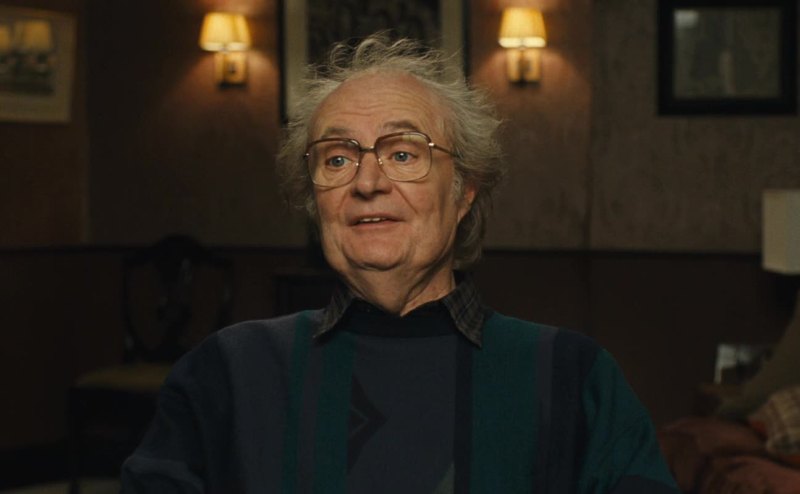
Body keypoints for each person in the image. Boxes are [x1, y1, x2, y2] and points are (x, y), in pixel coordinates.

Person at [121, 34, 679, 493]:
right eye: (337, 159)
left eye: (404, 153)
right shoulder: (228, 371)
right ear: (315, 202)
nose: (367, 182)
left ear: (464, 192)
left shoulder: (571, 375)